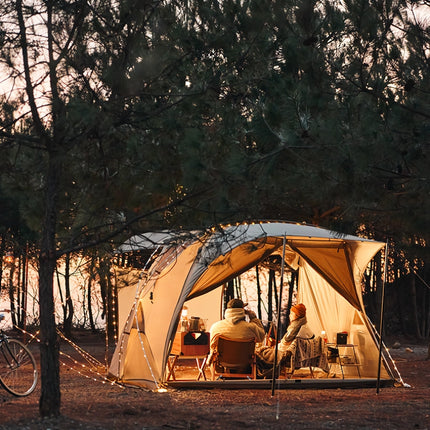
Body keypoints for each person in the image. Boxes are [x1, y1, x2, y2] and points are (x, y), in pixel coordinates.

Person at [256, 303, 314, 377]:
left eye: (291, 314)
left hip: (289, 356)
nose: (289, 315)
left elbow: (286, 343)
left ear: (297, 315)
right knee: (265, 351)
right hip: (299, 355)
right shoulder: (304, 327)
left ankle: (263, 374)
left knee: (263, 353)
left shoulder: (296, 329)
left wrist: (274, 346)